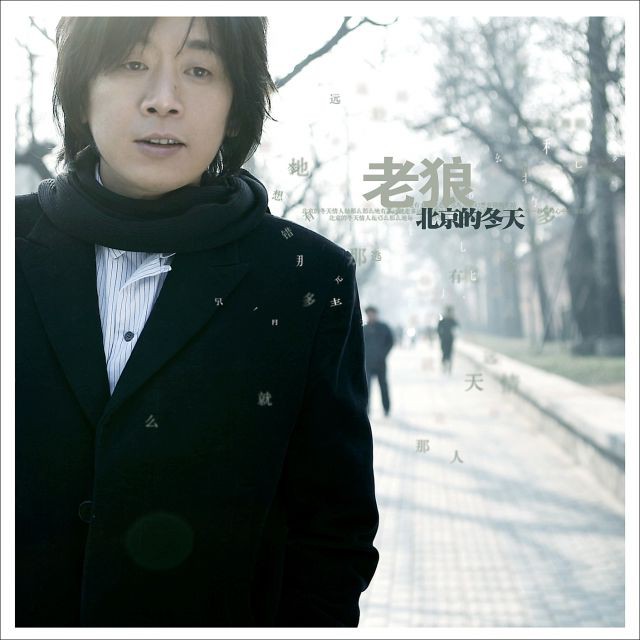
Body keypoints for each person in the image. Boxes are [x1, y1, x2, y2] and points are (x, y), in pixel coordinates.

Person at [15, 17, 379, 627]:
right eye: (132, 63)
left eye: (200, 70)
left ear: (236, 110)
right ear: (79, 91)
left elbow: (332, 530)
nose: (164, 99)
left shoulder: (306, 278)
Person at [362, 306, 394, 416]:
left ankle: (386, 408)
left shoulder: (383, 327)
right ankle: (366, 409)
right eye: (369, 314)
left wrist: (383, 354)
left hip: (381, 363)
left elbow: (390, 341)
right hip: (367, 364)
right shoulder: (364, 329)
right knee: (367, 388)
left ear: (376, 314)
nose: (371, 316)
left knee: (383, 386)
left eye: (372, 314)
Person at [437, 305, 459, 374]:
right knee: (444, 352)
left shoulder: (452, 320)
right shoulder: (442, 319)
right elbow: (438, 328)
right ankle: (444, 364)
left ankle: (449, 366)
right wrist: (440, 335)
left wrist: (455, 334)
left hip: (450, 339)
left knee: (450, 352)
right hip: (443, 339)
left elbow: (457, 327)